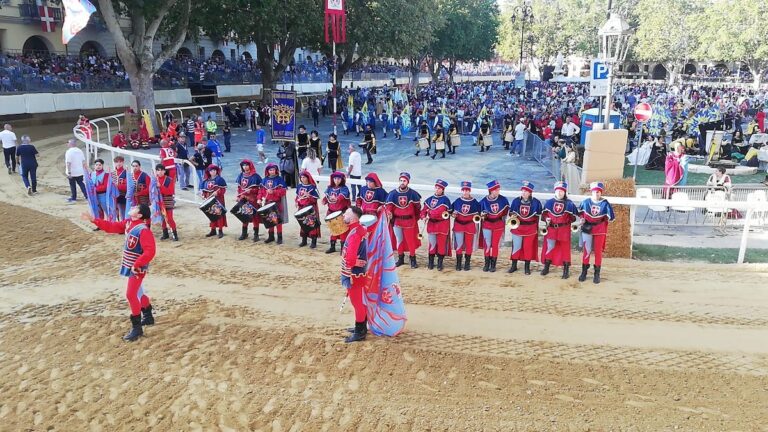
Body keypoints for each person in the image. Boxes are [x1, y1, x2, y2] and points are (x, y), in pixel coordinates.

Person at [83, 204, 156, 341]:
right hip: (132, 264)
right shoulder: (129, 223)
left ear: (139, 215)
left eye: (136, 207)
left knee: (130, 294)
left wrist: (138, 264)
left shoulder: (143, 230)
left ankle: (137, 328)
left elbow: (150, 251)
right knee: (139, 292)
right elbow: (111, 227)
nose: (133, 206)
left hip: (136, 267)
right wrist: (94, 220)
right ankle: (147, 315)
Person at [340, 206, 369, 343]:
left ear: (352, 218)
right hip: (358, 273)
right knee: (359, 302)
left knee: (357, 303)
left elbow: (350, 257)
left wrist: (353, 262)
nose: (344, 215)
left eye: (346, 213)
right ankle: (362, 326)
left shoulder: (355, 233)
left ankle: (360, 332)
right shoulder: (360, 229)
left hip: (353, 274)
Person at [577, 182, 615, 284]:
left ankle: (597, 274)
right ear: (591, 192)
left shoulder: (605, 203)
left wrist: (606, 217)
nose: (596, 194)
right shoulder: (585, 202)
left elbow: (611, 217)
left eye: (598, 192)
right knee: (587, 251)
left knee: (598, 251)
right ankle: (584, 272)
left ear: (601, 192)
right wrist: (582, 219)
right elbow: (580, 213)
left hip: (600, 229)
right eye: (594, 192)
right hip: (587, 228)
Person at [540, 181, 578, 279]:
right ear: (555, 191)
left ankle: (566, 270)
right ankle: (546, 267)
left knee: (565, 249)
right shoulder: (549, 202)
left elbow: (573, 218)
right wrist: (546, 219)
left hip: (564, 229)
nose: (560, 193)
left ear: (565, 192)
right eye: (558, 191)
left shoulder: (569, 204)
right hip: (552, 229)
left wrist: (567, 219)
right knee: (550, 247)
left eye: (562, 191)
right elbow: (543, 215)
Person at [386, 172, 422, 268]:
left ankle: (413, 259)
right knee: (399, 240)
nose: (402, 182)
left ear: (408, 182)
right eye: (401, 180)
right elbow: (389, 206)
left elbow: (417, 208)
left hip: (409, 221)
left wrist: (415, 218)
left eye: (404, 181)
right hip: (397, 221)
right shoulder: (393, 193)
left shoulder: (413, 194)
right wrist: (389, 212)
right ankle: (400, 258)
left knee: (410, 241)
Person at [508, 181, 542, 275]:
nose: (523, 192)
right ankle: (513, 266)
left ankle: (527, 267)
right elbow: (510, 213)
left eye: (526, 191)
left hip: (530, 229)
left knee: (528, 248)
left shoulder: (536, 202)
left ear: (530, 192)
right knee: (516, 247)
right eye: (522, 190)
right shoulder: (516, 201)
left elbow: (538, 216)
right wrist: (512, 215)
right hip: (518, 227)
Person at [420, 179, 452, 271]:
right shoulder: (429, 199)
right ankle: (430, 262)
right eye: (436, 188)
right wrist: (423, 216)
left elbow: (446, 212)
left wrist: (430, 212)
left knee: (441, 245)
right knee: (432, 244)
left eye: (439, 188)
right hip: (432, 225)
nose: (437, 190)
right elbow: (423, 211)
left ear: (443, 190)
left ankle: (440, 263)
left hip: (442, 226)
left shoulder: (446, 200)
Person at [479, 180, 510, 273]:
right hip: (487, 225)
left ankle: (493, 265)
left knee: (495, 245)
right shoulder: (484, 201)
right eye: (496, 190)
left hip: (498, 225)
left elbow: (506, 212)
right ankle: (486, 263)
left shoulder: (503, 199)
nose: (498, 192)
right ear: (491, 190)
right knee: (487, 244)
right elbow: (478, 211)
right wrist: (482, 215)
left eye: (498, 190)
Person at [451, 181, 481, 271]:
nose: (465, 192)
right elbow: (451, 212)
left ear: (470, 191)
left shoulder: (475, 202)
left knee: (469, 245)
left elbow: (479, 214)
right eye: (463, 190)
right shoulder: (457, 201)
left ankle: (467, 263)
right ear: (461, 191)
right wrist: (453, 214)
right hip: (459, 225)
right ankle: (458, 264)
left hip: (470, 225)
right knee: (459, 245)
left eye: (467, 190)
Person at [323, 171, 351, 253]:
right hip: (331, 212)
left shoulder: (344, 188)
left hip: (341, 213)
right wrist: (325, 200)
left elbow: (342, 196)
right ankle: (332, 246)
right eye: (335, 178)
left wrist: (337, 198)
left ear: (342, 179)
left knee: (342, 230)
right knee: (333, 230)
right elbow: (327, 195)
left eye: (338, 179)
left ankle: (343, 248)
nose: (336, 180)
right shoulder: (329, 188)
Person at [260, 163, 288, 244]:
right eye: (270, 170)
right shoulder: (264, 180)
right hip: (267, 203)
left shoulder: (279, 180)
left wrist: (274, 191)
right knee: (269, 220)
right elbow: (261, 191)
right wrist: (259, 198)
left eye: (273, 170)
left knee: (277, 221)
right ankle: (271, 236)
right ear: (267, 171)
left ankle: (279, 237)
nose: (272, 171)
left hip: (277, 203)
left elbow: (283, 191)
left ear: (276, 170)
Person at [235, 159, 263, 242]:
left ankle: (256, 234)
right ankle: (244, 233)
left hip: (253, 199)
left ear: (250, 165)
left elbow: (259, 189)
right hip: (243, 198)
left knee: (255, 216)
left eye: (246, 165)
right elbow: (239, 188)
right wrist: (239, 196)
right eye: (243, 165)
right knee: (244, 215)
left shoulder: (255, 176)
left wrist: (251, 191)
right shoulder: (241, 175)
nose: (245, 167)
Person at [295, 170, 321, 248]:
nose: (302, 179)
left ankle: (313, 242)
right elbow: (297, 196)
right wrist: (296, 201)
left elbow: (315, 199)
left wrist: (309, 196)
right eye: (301, 177)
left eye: (304, 177)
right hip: (302, 207)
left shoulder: (312, 187)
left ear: (308, 178)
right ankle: (304, 240)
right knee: (303, 223)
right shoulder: (299, 186)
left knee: (312, 224)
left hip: (310, 208)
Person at [153, 164, 178, 241]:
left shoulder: (169, 179)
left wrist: (160, 186)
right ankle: (165, 233)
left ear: (164, 171)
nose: (160, 172)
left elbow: (170, 191)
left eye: (161, 170)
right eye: (158, 170)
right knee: (162, 218)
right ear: (156, 171)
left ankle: (175, 234)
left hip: (167, 200)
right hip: (158, 201)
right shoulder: (154, 179)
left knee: (169, 218)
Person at [201, 164, 227, 238]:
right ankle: (213, 230)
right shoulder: (206, 180)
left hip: (218, 200)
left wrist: (217, 192)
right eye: (211, 170)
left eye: (214, 170)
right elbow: (204, 190)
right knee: (211, 214)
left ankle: (220, 230)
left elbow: (223, 189)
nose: (213, 172)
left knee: (219, 215)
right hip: (209, 200)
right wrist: (204, 195)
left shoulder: (220, 179)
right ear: (209, 172)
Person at [65, 139, 88, 203]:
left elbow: (68, 163)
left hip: (72, 172)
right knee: (81, 184)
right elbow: (83, 161)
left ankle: (73, 198)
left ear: (70, 144)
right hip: (80, 171)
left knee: (72, 185)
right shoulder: (79, 151)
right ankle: (87, 196)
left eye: (68, 143)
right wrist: (86, 170)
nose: (67, 144)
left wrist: (69, 172)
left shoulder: (69, 152)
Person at [112, 156, 127, 220]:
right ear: (114, 163)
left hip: (123, 195)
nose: (119, 163)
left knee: (123, 210)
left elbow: (127, 186)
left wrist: (117, 186)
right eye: (117, 162)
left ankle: (124, 223)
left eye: (120, 162)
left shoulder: (126, 172)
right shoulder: (112, 173)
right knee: (116, 210)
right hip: (114, 196)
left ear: (123, 162)